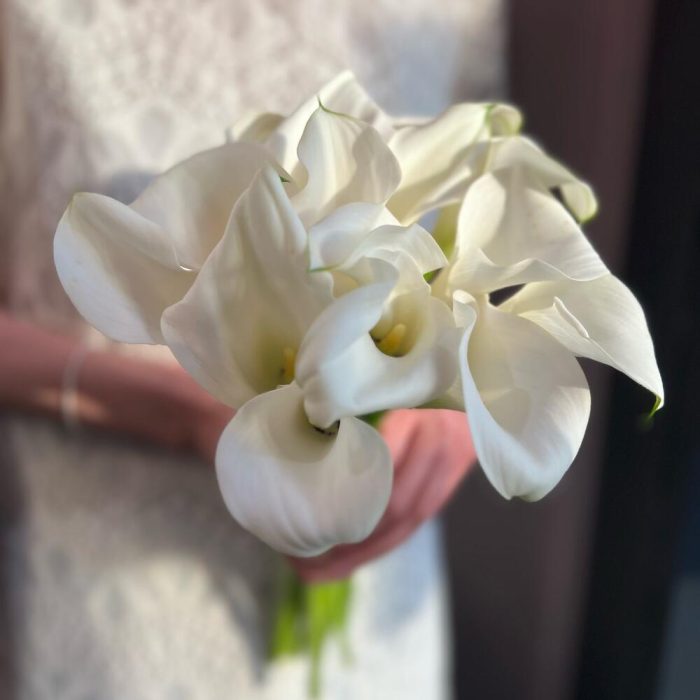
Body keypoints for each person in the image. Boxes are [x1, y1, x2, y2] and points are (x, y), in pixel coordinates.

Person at [0, 1, 503, 697]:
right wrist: (182, 411)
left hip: (383, 602)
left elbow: (476, 209)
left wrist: (459, 406)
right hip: (114, 611)